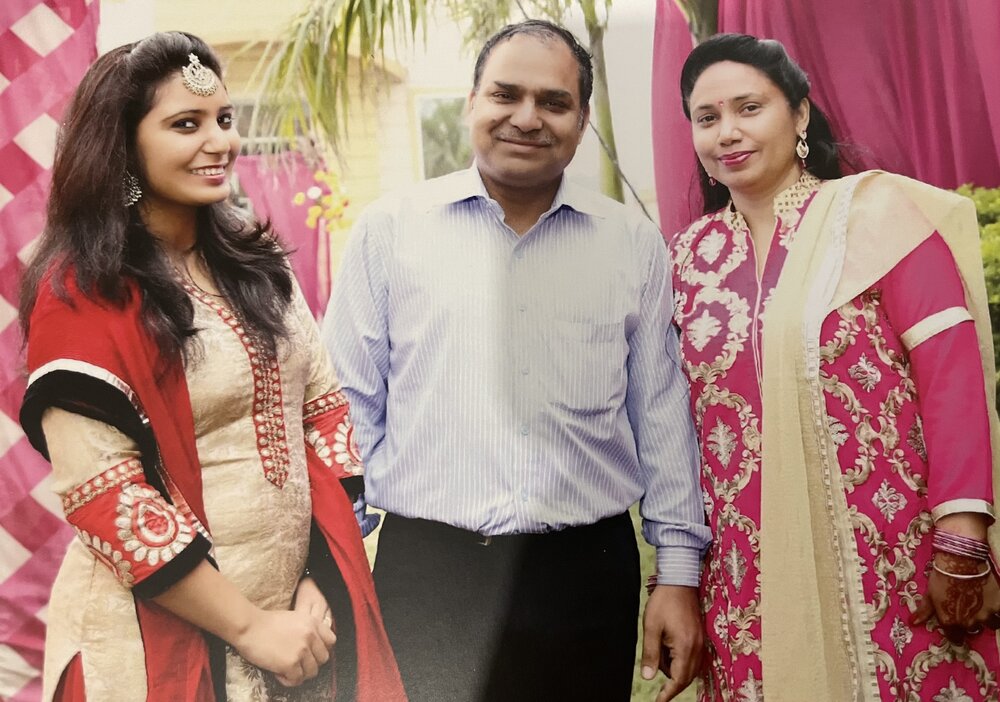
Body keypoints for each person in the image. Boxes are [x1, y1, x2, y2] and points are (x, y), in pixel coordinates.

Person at [322, 18, 710, 702]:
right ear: (471, 101)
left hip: (586, 573)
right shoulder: (391, 234)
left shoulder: (630, 244)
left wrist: (676, 574)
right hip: (431, 577)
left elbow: (661, 416)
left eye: (554, 102)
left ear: (582, 121)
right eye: (506, 95)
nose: (527, 118)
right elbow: (346, 413)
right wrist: (334, 570)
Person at [17, 31, 404, 702]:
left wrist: (318, 584)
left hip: (295, 632)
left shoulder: (259, 265)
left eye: (223, 119)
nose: (219, 140)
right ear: (122, 145)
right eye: (185, 124)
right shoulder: (85, 293)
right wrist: (250, 628)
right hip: (150, 644)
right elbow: (108, 499)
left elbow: (324, 417)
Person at [668, 33, 1000, 702]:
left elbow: (951, 373)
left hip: (894, 550)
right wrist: (675, 577)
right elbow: (672, 427)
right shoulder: (685, 260)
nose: (727, 132)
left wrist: (962, 538)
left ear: (799, 113)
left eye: (749, 108)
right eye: (707, 117)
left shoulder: (876, 217)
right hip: (749, 568)